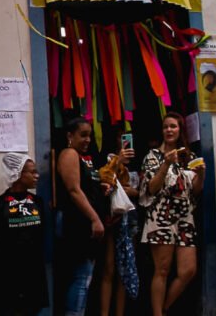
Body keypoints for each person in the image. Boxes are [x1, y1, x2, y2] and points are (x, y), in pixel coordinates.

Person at [140, 111, 205, 316]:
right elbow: (151, 188)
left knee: (188, 270)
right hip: (161, 216)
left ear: (180, 130)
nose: (169, 130)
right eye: (166, 126)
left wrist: (201, 175)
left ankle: (165, 308)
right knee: (162, 270)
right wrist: (166, 163)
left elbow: (195, 191)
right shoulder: (152, 156)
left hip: (185, 217)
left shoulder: (189, 157)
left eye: (173, 126)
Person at [0, 153, 48, 316]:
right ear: (17, 174)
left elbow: (42, 233)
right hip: (6, 277)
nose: (37, 176)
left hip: (33, 273)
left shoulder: (38, 203)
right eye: (32, 172)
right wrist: (5, 258)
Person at [55, 116, 108, 316]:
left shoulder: (80, 157)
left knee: (83, 276)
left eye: (90, 136)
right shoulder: (69, 154)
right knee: (81, 277)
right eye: (83, 135)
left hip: (81, 221)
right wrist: (95, 218)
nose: (87, 140)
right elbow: (74, 190)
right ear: (70, 135)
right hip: (75, 222)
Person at [97, 133, 139, 316]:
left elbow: (145, 192)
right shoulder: (111, 161)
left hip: (131, 221)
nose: (126, 146)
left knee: (126, 267)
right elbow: (104, 178)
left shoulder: (140, 164)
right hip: (114, 220)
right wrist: (118, 161)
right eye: (122, 143)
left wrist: (133, 192)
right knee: (109, 268)